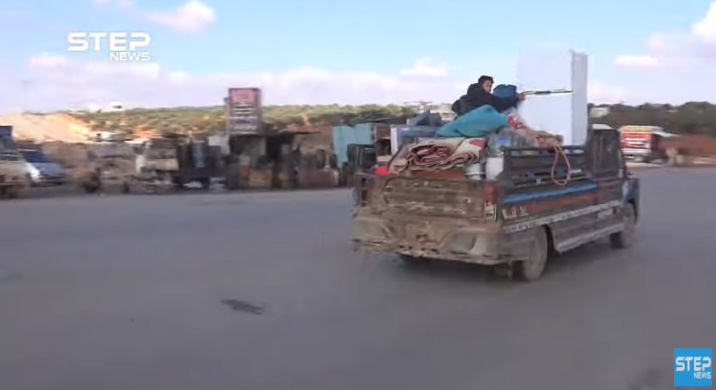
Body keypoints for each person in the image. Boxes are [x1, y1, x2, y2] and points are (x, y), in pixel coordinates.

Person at [451, 75, 525, 116]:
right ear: (480, 85)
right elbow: (502, 103)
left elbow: (455, 106)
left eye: (490, 86)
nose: (489, 89)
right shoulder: (485, 97)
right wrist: (516, 97)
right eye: (487, 86)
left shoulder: (466, 97)